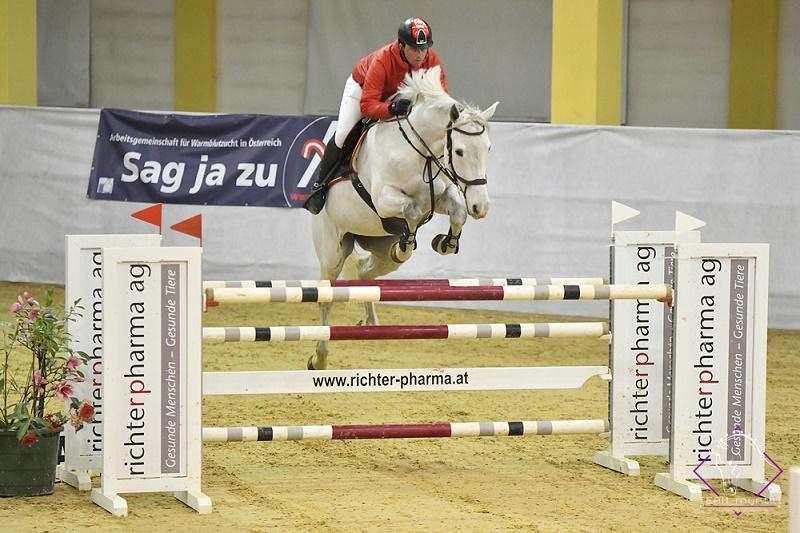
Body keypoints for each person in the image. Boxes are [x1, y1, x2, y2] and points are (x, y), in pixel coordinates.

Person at [303, 17, 448, 214]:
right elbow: (367, 106)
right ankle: (319, 186)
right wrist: (391, 109)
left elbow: (440, 101)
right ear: (401, 45)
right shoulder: (383, 59)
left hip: (398, 94)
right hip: (362, 90)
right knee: (344, 133)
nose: (420, 55)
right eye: (414, 48)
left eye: (423, 49)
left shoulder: (431, 60)